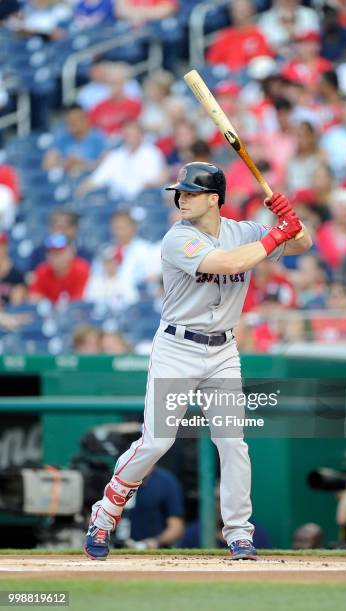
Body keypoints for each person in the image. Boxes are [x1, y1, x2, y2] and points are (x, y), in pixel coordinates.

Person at [84, 161, 312, 561]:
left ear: (213, 199)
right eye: (180, 192)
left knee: (233, 444)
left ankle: (240, 532)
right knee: (156, 442)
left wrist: (288, 217)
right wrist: (277, 232)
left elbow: (301, 244)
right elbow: (228, 263)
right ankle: (105, 512)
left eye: (190, 193)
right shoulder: (177, 238)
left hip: (223, 351)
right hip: (177, 349)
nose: (181, 199)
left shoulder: (244, 231)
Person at [77, 120, 167, 200]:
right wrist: (82, 190)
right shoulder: (115, 156)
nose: (130, 137)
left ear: (141, 134)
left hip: (143, 201)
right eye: (127, 134)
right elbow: (95, 180)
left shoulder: (152, 153)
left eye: (133, 133)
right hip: (115, 203)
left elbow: (156, 181)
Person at [115, 465, 185, 549]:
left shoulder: (166, 482)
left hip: (153, 551)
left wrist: (156, 541)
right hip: (116, 548)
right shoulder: (116, 479)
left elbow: (176, 528)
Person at [206, 0, 273, 72]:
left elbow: (265, 61)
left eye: (243, 9)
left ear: (251, 10)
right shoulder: (223, 37)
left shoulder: (259, 34)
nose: (239, 13)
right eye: (236, 10)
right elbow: (210, 64)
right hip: (229, 78)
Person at [43, 105, 107, 175]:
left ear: (85, 120)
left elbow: (106, 165)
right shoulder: (62, 138)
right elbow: (47, 164)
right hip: (65, 180)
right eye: (69, 121)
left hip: (90, 180)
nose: (72, 124)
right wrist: (66, 163)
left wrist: (81, 164)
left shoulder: (98, 138)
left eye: (75, 120)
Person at [29, 234, 90, 303]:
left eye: (59, 252)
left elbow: (80, 302)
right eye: (51, 253)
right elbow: (34, 300)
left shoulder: (81, 269)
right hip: (49, 313)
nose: (55, 257)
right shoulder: (42, 271)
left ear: (71, 252)